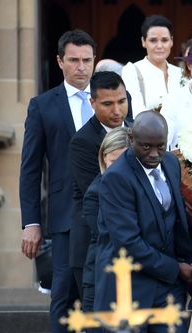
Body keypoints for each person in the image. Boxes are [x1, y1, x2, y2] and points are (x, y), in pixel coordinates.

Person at [94, 111, 192, 333]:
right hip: (129, 289)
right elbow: (128, 242)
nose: (154, 154)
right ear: (131, 139)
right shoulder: (116, 178)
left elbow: (177, 218)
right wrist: (175, 268)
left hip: (170, 289)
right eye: (146, 147)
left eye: (160, 146)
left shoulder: (171, 162)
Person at [19, 29, 96, 333]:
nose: (81, 67)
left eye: (87, 60)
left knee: (103, 293)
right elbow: (30, 170)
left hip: (110, 213)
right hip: (64, 217)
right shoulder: (43, 105)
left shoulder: (114, 98)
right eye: (74, 60)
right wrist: (31, 222)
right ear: (60, 62)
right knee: (64, 293)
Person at [68, 71, 131, 297]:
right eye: (108, 104)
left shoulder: (136, 132)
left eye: (122, 101)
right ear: (92, 103)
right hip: (93, 250)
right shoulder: (81, 142)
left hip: (131, 247)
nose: (117, 110)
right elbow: (104, 197)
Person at [82, 127, 129, 314]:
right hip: (101, 281)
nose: (119, 169)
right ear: (103, 158)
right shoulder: (94, 194)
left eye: (125, 162)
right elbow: (114, 236)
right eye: (114, 162)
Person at [122, 15, 182, 115]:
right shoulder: (132, 71)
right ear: (143, 42)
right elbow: (136, 112)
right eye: (153, 40)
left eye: (164, 40)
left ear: (171, 41)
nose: (159, 46)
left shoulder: (180, 73)